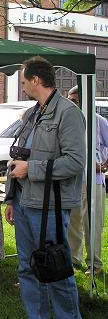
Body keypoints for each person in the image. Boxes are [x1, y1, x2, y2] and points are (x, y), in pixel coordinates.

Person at [4, 57, 84, 319]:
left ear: (36, 80)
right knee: (28, 269)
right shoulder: (31, 113)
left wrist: (32, 169)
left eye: (25, 81)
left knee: (56, 270)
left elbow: (74, 162)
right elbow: (17, 156)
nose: (23, 85)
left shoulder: (68, 113)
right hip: (25, 203)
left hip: (49, 207)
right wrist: (11, 199)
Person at [67, 85, 107, 276]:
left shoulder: (99, 122)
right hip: (72, 180)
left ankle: (94, 264)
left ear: (84, 102)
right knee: (73, 221)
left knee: (92, 224)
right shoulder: (68, 122)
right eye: (69, 100)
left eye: (74, 101)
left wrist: (104, 165)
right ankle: (74, 258)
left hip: (94, 181)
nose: (70, 104)